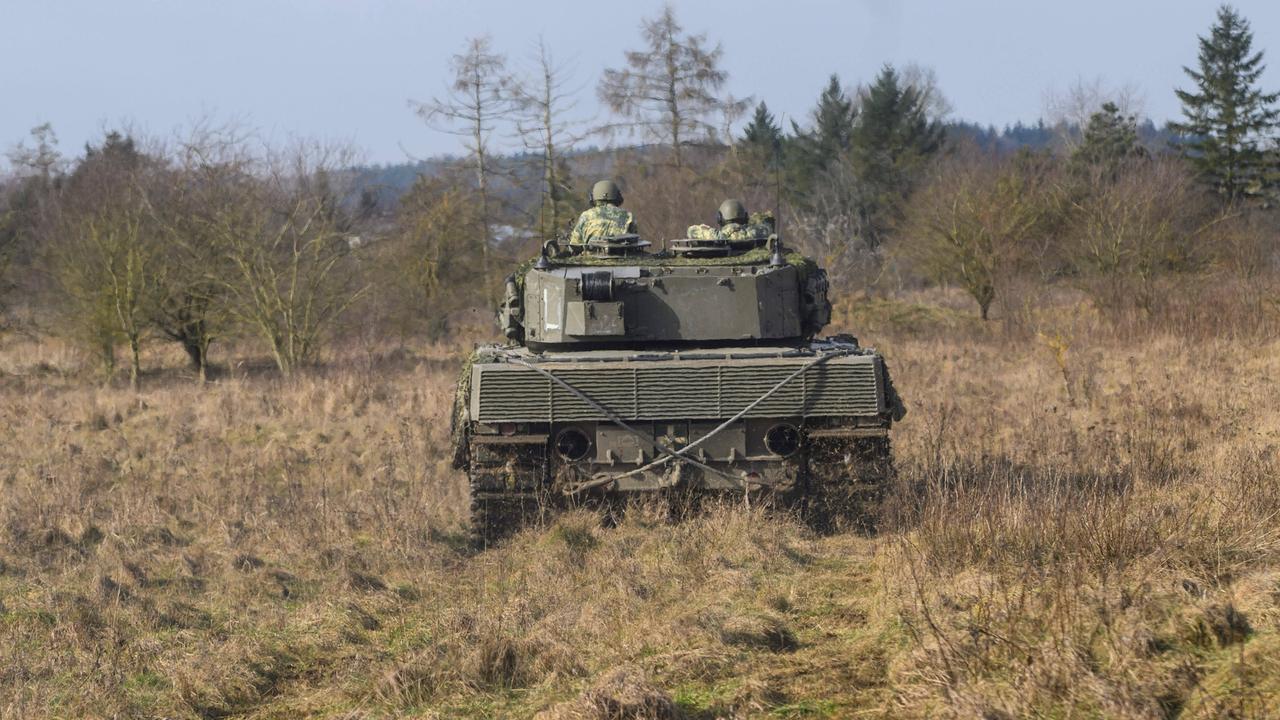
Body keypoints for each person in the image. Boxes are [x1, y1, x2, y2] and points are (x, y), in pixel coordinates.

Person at [568, 180, 637, 246]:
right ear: (617, 196)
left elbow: (575, 244)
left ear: (593, 197)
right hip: (623, 256)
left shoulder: (586, 216)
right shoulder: (628, 216)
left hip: (591, 256)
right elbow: (634, 240)